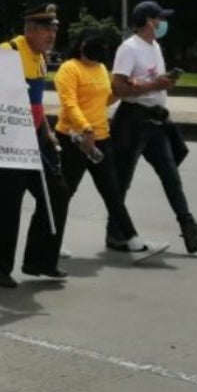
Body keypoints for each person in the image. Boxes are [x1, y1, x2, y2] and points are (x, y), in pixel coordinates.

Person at [110, 0, 197, 255]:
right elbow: (118, 87)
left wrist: (165, 82)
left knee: (171, 176)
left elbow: (151, 80)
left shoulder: (155, 46)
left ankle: (191, 231)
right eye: (159, 19)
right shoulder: (129, 48)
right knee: (122, 180)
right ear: (149, 21)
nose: (162, 23)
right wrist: (155, 86)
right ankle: (115, 232)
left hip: (156, 122)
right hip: (133, 120)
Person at [54, 28, 168, 263]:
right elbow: (70, 104)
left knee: (113, 193)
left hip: (101, 138)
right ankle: (52, 241)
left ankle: (135, 243)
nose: (99, 52)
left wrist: (128, 89)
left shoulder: (100, 69)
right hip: (74, 138)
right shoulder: (69, 69)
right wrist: (85, 129)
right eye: (94, 46)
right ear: (81, 44)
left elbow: (104, 99)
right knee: (65, 192)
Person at [0, 4, 70, 288]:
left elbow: (36, 104)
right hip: (9, 140)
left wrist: (46, 133)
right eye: (46, 29)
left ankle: (39, 260)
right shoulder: (7, 52)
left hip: (33, 139)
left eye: (54, 29)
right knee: (6, 206)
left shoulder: (41, 58)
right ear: (29, 30)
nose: (52, 34)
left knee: (57, 194)